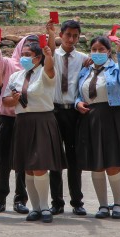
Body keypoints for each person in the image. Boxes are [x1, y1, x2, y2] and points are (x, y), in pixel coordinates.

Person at [74, 34, 120, 219]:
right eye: (94, 50)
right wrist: (77, 103)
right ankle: (102, 205)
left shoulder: (116, 68)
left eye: (102, 50)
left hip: (111, 117)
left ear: (108, 52)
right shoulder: (85, 70)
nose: (97, 53)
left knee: (113, 163)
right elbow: (79, 93)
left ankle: (118, 203)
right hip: (90, 119)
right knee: (97, 165)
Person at [2, 39, 63, 223]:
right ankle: (35, 207)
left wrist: (49, 56)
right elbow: (6, 101)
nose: (24, 58)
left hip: (42, 120)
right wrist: (14, 99)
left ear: (38, 58)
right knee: (28, 168)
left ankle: (45, 207)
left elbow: (50, 69)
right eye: (23, 54)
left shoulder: (45, 73)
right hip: (23, 122)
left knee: (40, 167)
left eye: (28, 55)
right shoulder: (16, 76)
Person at [0, 35, 31, 215]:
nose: (27, 52)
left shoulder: (37, 69)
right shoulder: (10, 63)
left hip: (25, 119)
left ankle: (20, 199)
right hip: (7, 118)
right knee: (3, 160)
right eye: (26, 46)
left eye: (32, 48)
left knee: (22, 161)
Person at [48, 19, 88, 216]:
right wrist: (49, 34)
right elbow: (47, 49)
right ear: (61, 36)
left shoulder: (83, 58)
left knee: (74, 158)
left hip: (73, 112)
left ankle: (77, 200)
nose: (71, 39)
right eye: (68, 35)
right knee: (55, 158)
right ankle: (57, 201)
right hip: (54, 110)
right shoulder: (53, 55)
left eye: (75, 36)